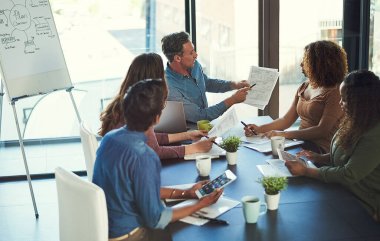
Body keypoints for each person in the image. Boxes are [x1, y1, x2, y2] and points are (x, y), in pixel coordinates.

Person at [93, 79, 223, 241]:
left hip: (105, 226)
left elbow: (136, 187)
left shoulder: (109, 139)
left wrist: (187, 192)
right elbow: (156, 219)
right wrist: (199, 205)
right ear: (157, 118)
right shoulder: (144, 156)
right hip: (129, 235)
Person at [285, 70, 380, 222]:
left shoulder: (374, 135)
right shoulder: (355, 119)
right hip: (339, 190)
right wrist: (319, 157)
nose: (340, 103)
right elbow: (346, 154)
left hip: (361, 204)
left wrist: (306, 171)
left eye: (344, 99)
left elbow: (349, 174)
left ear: (361, 102)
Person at [99, 53, 215, 159]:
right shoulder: (139, 110)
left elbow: (150, 139)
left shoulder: (125, 102)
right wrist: (195, 148)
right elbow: (154, 151)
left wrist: (187, 135)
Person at [244, 40, 348, 153]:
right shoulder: (304, 87)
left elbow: (321, 130)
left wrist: (284, 134)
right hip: (300, 143)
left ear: (320, 64)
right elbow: (286, 120)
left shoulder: (336, 92)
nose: (301, 64)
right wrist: (259, 129)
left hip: (321, 150)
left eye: (305, 60)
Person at [161, 31, 251, 123]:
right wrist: (233, 100)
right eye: (191, 53)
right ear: (177, 58)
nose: (196, 55)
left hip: (205, 125)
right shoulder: (169, 87)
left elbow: (206, 83)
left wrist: (234, 85)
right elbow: (200, 116)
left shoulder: (194, 65)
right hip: (189, 131)